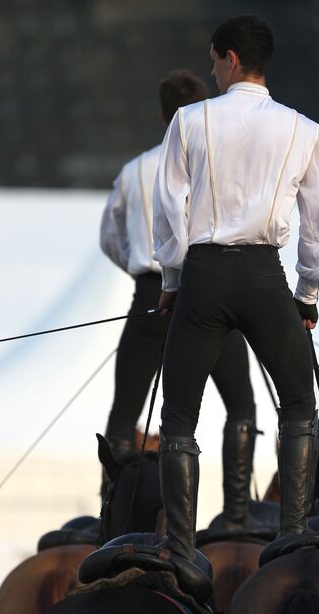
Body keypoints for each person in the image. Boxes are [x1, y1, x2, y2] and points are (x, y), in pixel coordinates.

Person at [152, 15, 319, 561]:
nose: (212, 70)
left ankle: (184, 552)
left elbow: (169, 209)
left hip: (205, 276)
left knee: (178, 418)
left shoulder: (189, 121)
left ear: (231, 58)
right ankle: (290, 539)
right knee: (299, 407)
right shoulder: (303, 129)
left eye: (214, 59)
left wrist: (171, 280)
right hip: (265, 275)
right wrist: (308, 294)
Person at [99, 70, 259, 529]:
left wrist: (140, 267)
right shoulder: (217, 163)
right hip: (209, 293)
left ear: (161, 113)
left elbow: (110, 238)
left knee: (125, 409)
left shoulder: (134, 170)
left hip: (150, 296)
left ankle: (114, 514)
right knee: (240, 405)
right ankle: (236, 514)